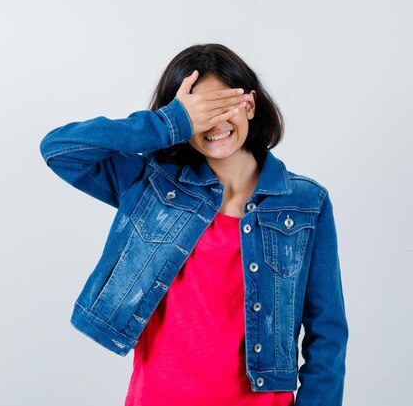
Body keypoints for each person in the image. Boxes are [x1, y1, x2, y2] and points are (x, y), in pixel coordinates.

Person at [39, 43, 348, 406]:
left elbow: (327, 330)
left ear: (249, 104)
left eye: (222, 106)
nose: (214, 124)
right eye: (200, 113)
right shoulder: (151, 185)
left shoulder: (305, 202)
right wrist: (170, 122)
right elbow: (59, 150)